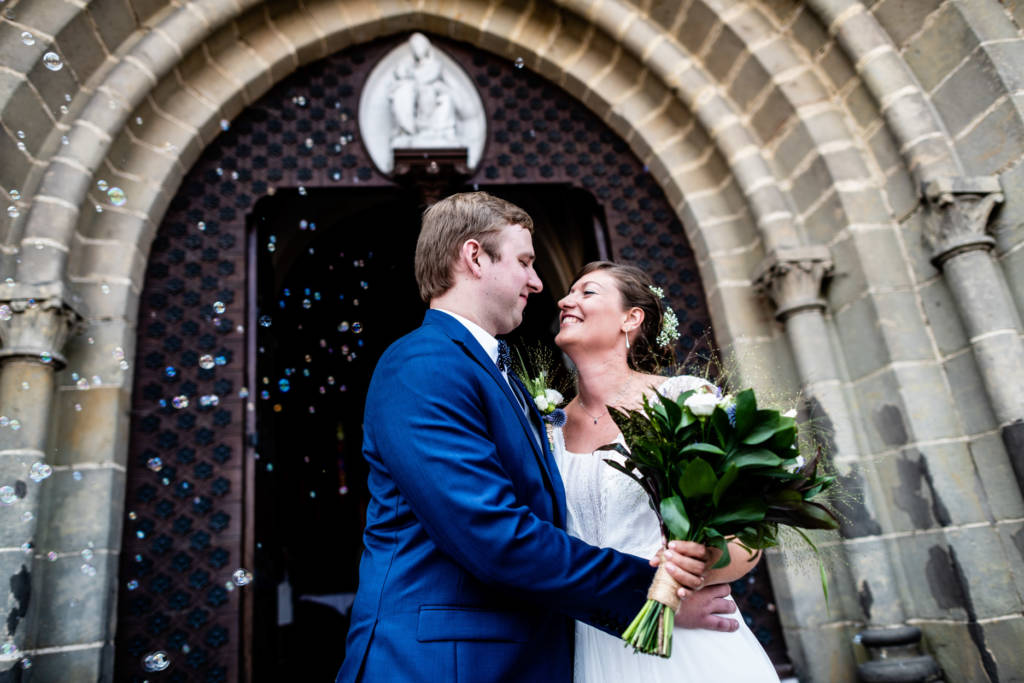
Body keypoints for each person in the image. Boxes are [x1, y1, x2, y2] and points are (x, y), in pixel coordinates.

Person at [337, 193, 738, 683]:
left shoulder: (496, 374)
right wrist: (652, 591)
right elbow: (495, 536)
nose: (539, 283)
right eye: (525, 262)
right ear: (474, 257)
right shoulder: (423, 363)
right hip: (444, 663)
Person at [552, 260, 780, 682]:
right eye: (569, 293)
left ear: (631, 318)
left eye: (588, 292)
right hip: (594, 639)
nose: (566, 300)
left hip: (689, 637)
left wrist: (688, 574)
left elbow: (747, 538)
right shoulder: (546, 429)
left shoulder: (685, 400)